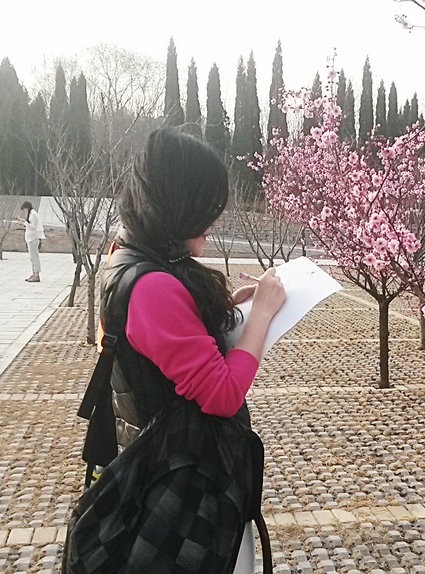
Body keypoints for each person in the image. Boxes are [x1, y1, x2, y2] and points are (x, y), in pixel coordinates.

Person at [64, 129, 285, 572]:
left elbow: (163, 346)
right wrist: (261, 316)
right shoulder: (154, 285)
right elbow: (222, 395)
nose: (212, 221)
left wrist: (229, 309)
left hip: (156, 460)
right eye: (207, 209)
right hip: (183, 479)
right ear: (179, 206)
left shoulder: (127, 255)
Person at [18, 200, 46, 282]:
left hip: (33, 238)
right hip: (30, 238)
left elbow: (33, 227)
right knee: (32, 257)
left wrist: (25, 222)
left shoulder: (33, 214)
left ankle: (36, 274)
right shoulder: (31, 214)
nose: (24, 211)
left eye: (24, 209)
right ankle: (34, 272)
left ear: (27, 208)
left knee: (34, 257)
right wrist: (24, 222)